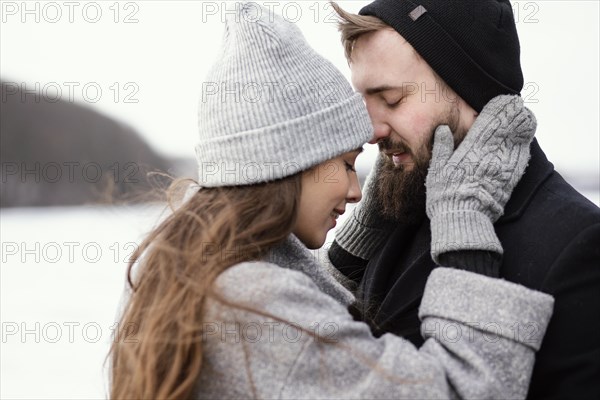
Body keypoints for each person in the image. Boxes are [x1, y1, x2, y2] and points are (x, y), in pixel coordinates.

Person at [108, 4, 554, 399]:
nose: (359, 189)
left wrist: (353, 249)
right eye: (344, 164)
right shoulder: (250, 303)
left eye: (392, 99)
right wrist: (465, 221)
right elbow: (459, 390)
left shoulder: (178, 263)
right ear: (289, 164)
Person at [327, 1, 600, 399]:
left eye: (392, 99)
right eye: (364, 101)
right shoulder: (398, 210)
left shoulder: (577, 242)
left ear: (472, 89)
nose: (370, 132)